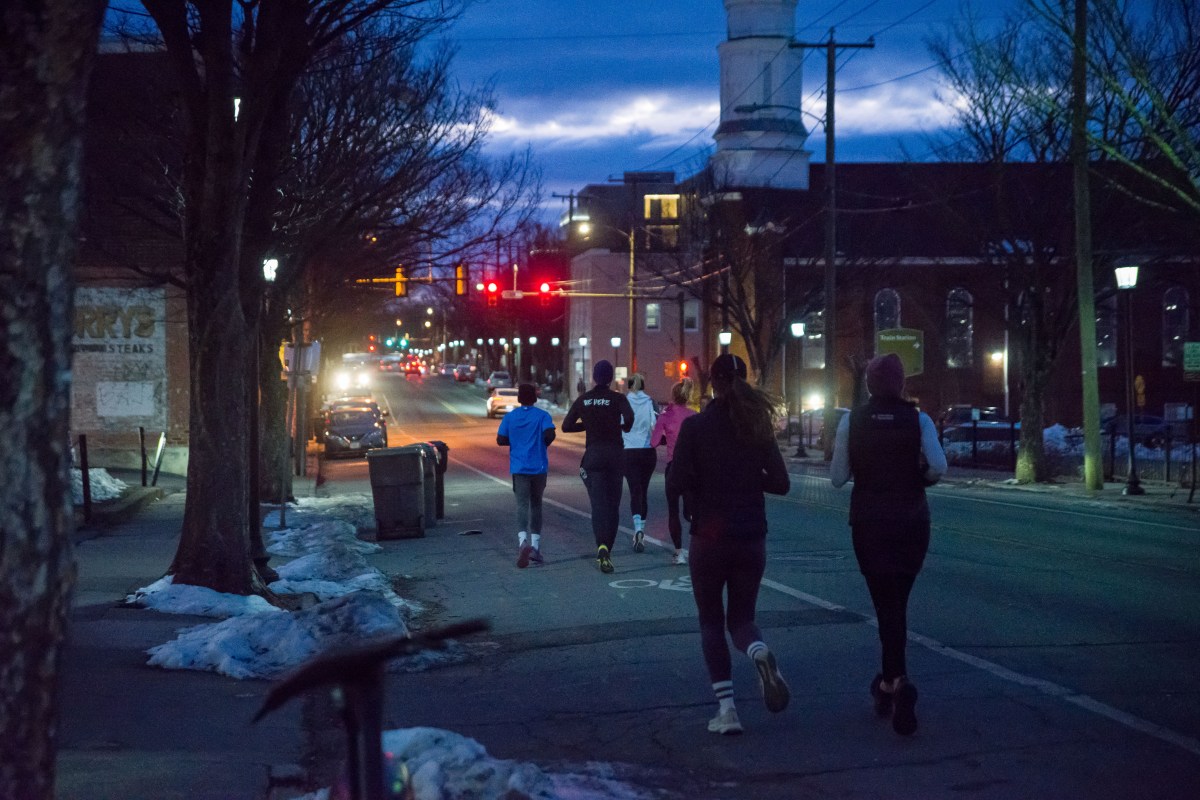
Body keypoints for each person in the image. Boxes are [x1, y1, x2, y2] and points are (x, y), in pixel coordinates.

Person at [667, 354, 791, 735]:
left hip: (710, 536)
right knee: (742, 620)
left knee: (710, 621)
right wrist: (750, 480)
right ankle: (758, 652)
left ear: (713, 384)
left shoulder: (696, 427)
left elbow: (676, 482)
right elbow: (781, 483)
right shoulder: (757, 428)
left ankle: (727, 711)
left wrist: (689, 498)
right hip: (751, 536)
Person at [830, 353, 947, 736]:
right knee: (897, 601)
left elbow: (836, 477)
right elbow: (938, 466)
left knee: (886, 603)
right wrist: (918, 478)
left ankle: (895, 682)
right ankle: (890, 683)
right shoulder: (920, 419)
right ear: (901, 384)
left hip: (870, 522)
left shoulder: (853, 419)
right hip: (913, 522)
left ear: (868, 385)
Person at [561, 360, 633, 573]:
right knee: (613, 506)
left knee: (598, 506)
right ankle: (607, 550)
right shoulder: (617, 398)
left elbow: (566, 426)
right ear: (610, 378)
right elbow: (629, 419)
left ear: (594, 377)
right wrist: (620, 426)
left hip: (593, 457)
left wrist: (588, 424)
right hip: (615, 456)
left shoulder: (584, 399)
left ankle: (600, 546)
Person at [496, 383, 557, 568]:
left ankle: (522, 542)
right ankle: (536, 548)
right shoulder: (542, 416)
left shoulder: (510, 417)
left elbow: (500, 439)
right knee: (536, 504)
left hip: (519, 467)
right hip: (538, 467)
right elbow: (550, 435)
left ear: (519, 398)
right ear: (535, 398)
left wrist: (515, 439)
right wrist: (541, 441)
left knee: (522, 504)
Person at [650, 377, 696, 565]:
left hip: (674, 468)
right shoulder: (694, 416)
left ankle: (679, 553)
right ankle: (700, 546)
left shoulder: (665, 415)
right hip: (693, 470)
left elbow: (653, 442)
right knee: (692, 512)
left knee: (673, 511)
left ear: (673, 396)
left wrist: (665, 437)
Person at [621, 373, 657, 553]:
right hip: (647, 451)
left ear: (629, 386)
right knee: (643, 491)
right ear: (643, 386)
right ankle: (641, 529)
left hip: (629, 451)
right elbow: (654, 424)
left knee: (635, 491)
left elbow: (620, 424)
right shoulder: (651, 402)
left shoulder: (624, 402)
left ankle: (638, 530)